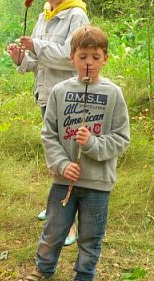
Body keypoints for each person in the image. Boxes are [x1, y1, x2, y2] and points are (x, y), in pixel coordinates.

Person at [25, 26, 131, 281]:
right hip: (63, 182)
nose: (88, 64)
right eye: (82, 57)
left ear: (105, 58)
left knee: (90, 236)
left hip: (98, 183)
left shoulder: (113, 93)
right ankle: (43, 271)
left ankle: (84, 275)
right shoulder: (60, 92)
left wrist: (93, 144)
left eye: (95, 57)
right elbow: (49, 134)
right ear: (72, 57)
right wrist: (61, 165)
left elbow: (121, 137)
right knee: (53, 231)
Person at [7, 0, 89, 245]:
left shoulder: (76, 16)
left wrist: (37, 46)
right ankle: (57, 207)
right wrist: (20, 57)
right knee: (55, 156)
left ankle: (69, 225)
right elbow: (36, 63)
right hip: (46, 95)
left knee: (68, 158)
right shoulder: (43, 15)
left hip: (68, 96)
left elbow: (71, 56)